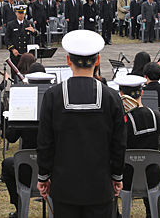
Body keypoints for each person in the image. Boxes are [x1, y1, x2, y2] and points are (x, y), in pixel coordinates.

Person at [36, 29, 126, 218]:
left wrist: (43, 176)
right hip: (100, 185)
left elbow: (45, 142)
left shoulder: (52, 96)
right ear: (98, 60)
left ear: (69, 61)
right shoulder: (112, 97)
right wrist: (117, 175)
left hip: (64, 185)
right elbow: (118, 143)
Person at [1, 72, 55, 218]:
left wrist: (8, 113)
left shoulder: (24, 106)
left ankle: (19, 207)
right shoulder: (56, 105)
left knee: (7, 165)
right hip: (54, 170)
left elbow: (10, 138)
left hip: (26, 170)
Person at [113, 75, 160, 218]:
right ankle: (150, 212)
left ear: (121, 94)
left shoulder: (121, 122)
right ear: (142, 93)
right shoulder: (157, 116)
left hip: (125, 178)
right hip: (152, 176)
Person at [4, 5, 38, 77]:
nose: (21, 15)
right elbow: (7, 38)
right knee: (15, 74)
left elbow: (36, 35)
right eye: (20, 13)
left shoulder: (28, 23)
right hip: (16, 52)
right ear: (16, 13)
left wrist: (34, 31)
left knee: (27, 72)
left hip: (26, 53)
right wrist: (12, 49)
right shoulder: (11, 24)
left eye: (23, 13)